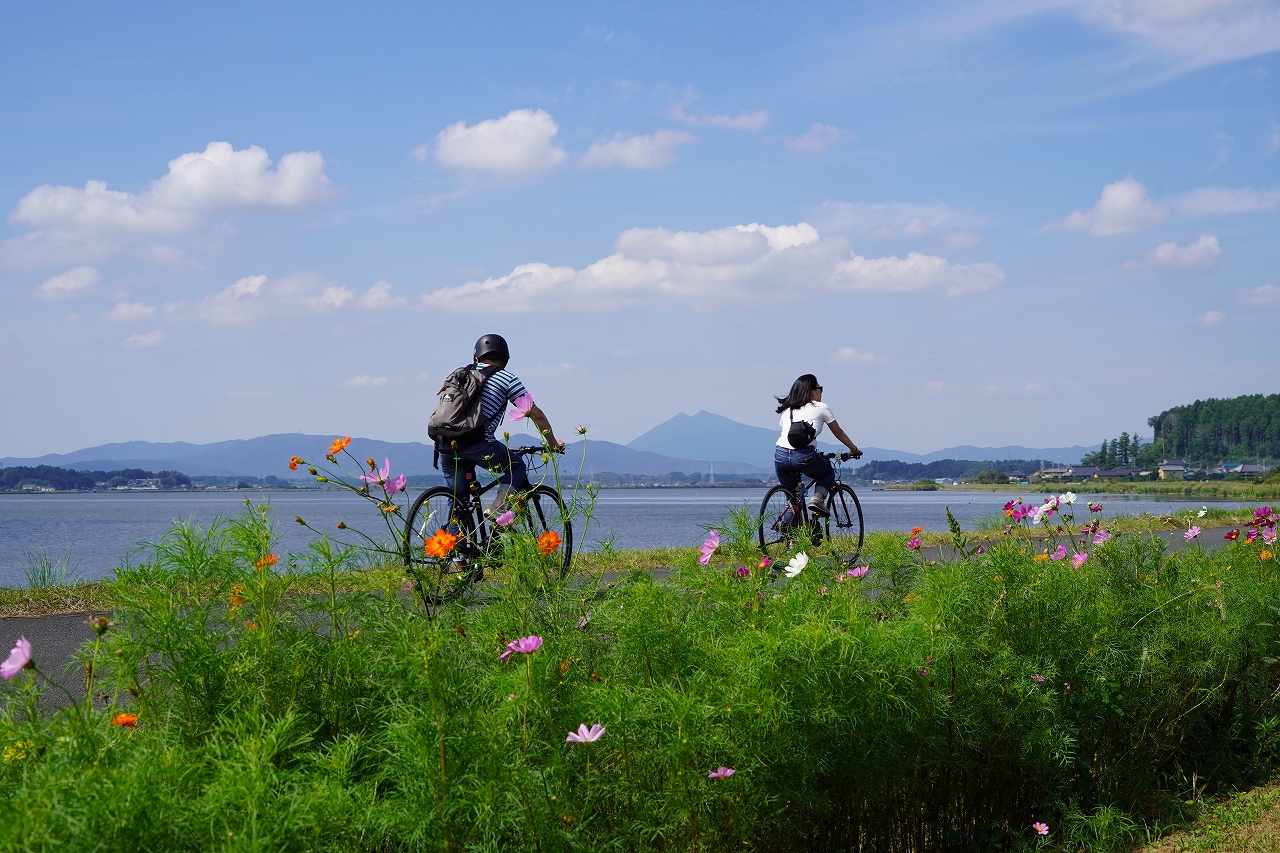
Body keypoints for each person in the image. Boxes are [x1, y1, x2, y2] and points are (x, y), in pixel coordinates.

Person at [437, 334, 564, 516]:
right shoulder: (506, 378)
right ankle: (497, 507)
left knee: (458, 502)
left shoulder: (458, 375)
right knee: (517, 466)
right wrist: (552, 442)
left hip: (444, 444)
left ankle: (455, 542)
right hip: (478, 444)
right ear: (505, 360)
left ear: (476, 358)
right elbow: (536, 414)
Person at [773, 373, 862, 516]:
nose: (821, 392)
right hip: (804, 457)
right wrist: (854, 449)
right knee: (827, 473)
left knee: (793, 500)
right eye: (820, 388)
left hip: (780, 456)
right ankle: (817, 499)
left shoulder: (787, 410)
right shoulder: (821, 407)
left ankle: (787, 531)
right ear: (812, 392)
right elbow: (838, 432)